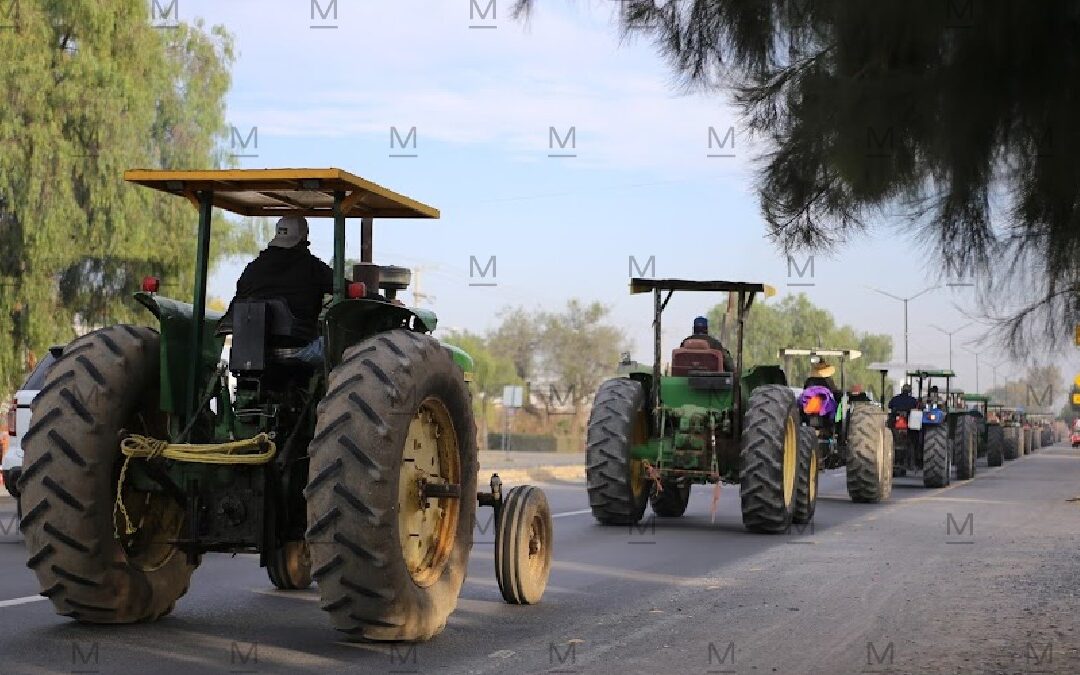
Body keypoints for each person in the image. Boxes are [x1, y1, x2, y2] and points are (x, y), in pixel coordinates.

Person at [230, 215, 333, 361]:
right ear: (303, 239)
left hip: (251, 354)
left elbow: (238, 301)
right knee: (344, 346)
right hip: (300, 352)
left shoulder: (253, 268)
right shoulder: (311, 267)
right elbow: (343, 287)